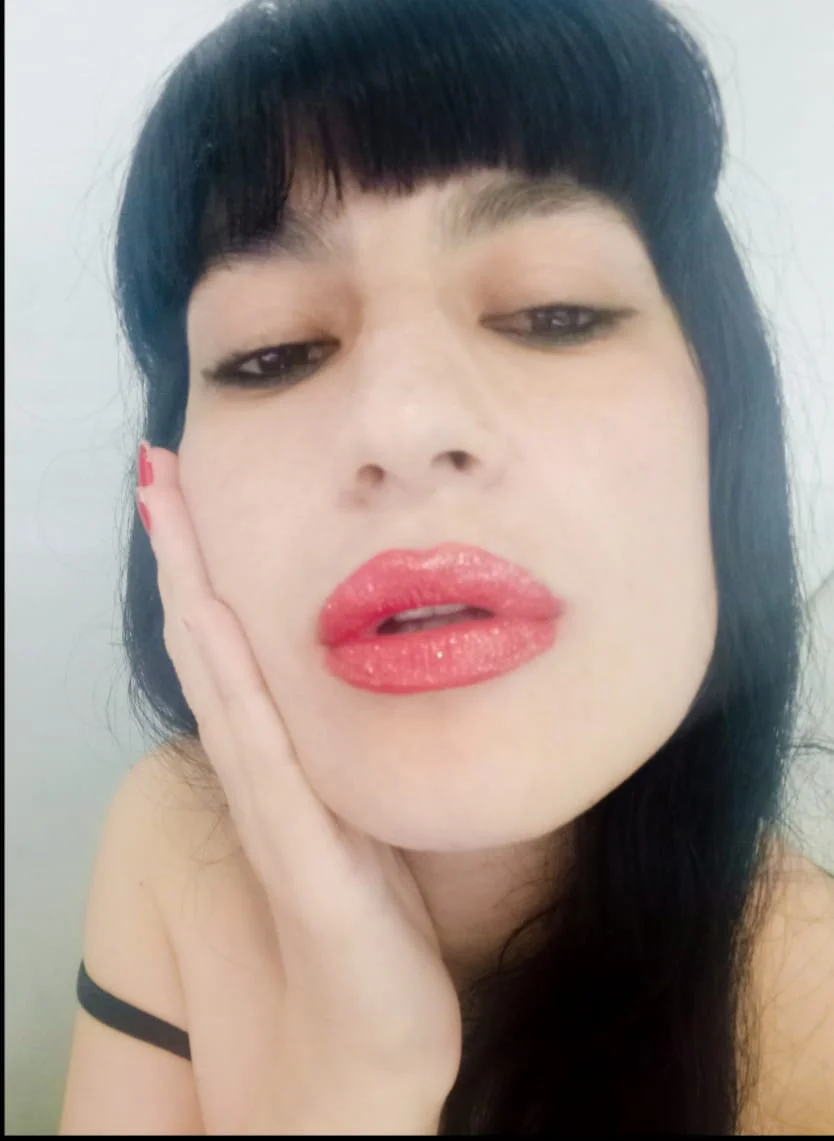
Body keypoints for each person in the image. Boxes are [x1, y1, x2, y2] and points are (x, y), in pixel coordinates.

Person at [59, 0, 834, 1133]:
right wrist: (354, 1088)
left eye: (553, 310)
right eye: (273, 352)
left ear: (728, 430)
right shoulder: (173, 840)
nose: (403, 420)